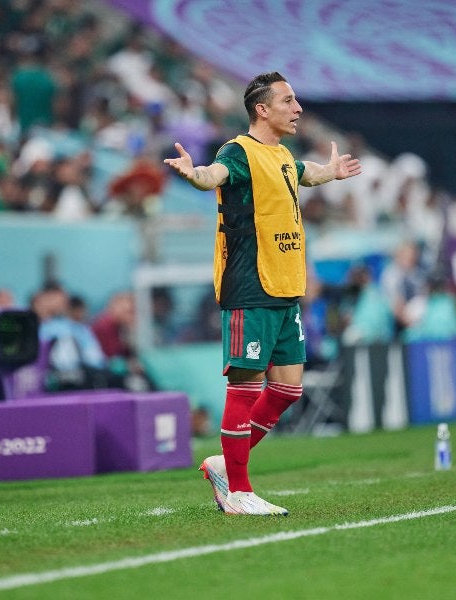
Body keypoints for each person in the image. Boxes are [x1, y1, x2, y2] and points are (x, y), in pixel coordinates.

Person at [164, 71, 362, 515]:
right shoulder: (238, 152)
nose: (298, 108)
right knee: (245, 387)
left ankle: (223, 463)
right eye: (288, 101)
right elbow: (213, 174)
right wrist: (194, 174)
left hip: (285, 287)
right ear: (262, 109)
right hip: (250, 286)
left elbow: (302, 173)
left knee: (288, 389)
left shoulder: (282, 155)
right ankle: (238, 491)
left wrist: (330, 172)